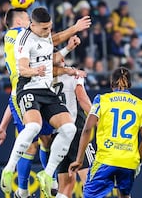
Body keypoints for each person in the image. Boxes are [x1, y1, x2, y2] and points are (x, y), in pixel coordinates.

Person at [0, 7, 91, 198]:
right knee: (33, 127)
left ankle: (47, 173)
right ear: (31, 25)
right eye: (44, 29)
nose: (48, 33)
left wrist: (71, 41)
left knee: (68, 129)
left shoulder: (43, 37)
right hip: (27, 89)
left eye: (49, 28)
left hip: (46, 91)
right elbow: (22, 68)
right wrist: (34, 71)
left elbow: (54, 48)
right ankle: (9, 169)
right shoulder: (22, 38)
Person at [69, 67, 142, 198]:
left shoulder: (101, 100)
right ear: (130, 84)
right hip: (129, 161)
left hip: (105, 159)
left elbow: (87, 129)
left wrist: (79, 160)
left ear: (111, 83)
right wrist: (138, 162)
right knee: (124, 195)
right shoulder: (141, 105)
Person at [53, 59, 94, 198]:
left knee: (65, 186)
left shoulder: (44, 77)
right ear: (62, 59)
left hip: (57, 133)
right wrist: (98, 118)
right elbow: (82, 98)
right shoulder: (74, 74)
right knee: (90, 180)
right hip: (76, 131)